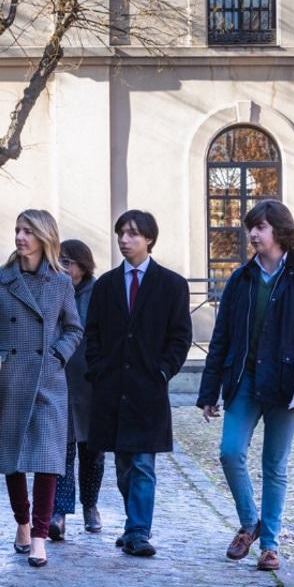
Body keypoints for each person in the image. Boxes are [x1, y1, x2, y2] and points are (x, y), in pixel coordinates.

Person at [197, 200, 294, 572]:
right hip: (244, 378)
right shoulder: (241, 279)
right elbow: (221, 337)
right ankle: (249, 522)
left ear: (280, 232)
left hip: (286, 383)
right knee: (229, 451)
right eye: (251, 227)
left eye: (261, 227)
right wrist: (208, 391)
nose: (253, 234)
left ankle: (269, 545)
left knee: (274, 465)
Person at [0, 209, 82, 568]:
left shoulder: (61, 282)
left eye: (28, 231)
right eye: (18, 230)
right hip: (10, 377)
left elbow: (74, 328)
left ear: (45, 238)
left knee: (48, 461)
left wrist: (57, 355)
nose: (20, 237)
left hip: (48, 380)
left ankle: (39, 537)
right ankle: (22, 521)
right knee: (12, 458)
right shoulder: (0, 280)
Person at [85, 210, 192, 558]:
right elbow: (94, 334)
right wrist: (99, 369)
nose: (124, 240)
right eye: (120, 233)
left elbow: (180, 337)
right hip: (112, 389)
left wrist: (162, 372)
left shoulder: (171, 285)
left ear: (149, 239)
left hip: (148, 388)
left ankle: (137, 531)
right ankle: (134, 521)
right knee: (123, 465)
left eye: (132, 234)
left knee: (144, 462)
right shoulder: (106, 285)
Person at [48, 239, 103, 540]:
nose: (64, 267)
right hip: (61, 377)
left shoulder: (100, 292)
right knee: (63, 449)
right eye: (60, 261)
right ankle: (60, 511)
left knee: (92, 451)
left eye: (68, 262)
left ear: (83, 265)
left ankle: (90, 505)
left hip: (92, 380)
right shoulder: (53, 288)